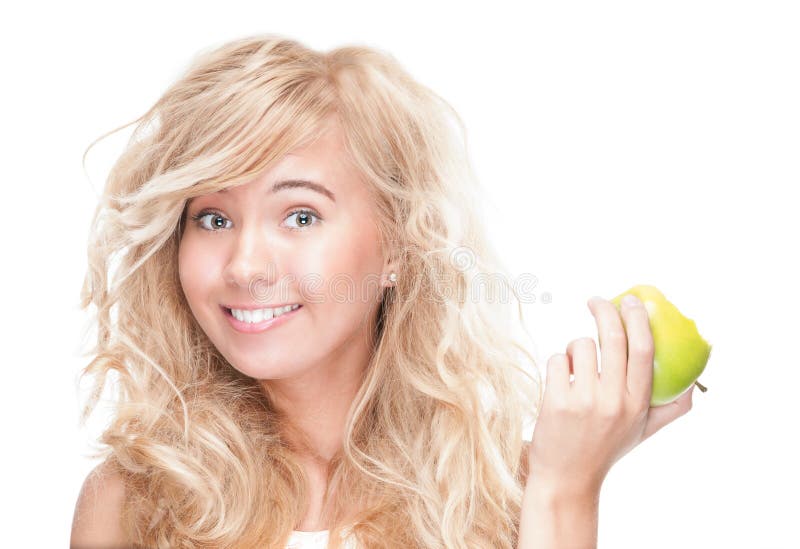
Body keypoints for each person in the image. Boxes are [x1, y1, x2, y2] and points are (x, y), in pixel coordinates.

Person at [70, 34, 694, 549]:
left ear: (397, 243)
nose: (245, 265)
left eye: (301, 216)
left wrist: (565, 491)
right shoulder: (134, 502)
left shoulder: (510, 491)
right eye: (212, 218)